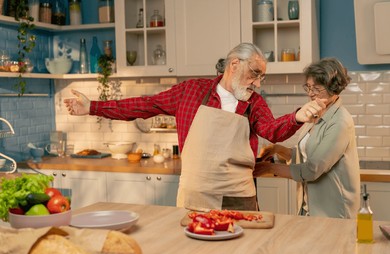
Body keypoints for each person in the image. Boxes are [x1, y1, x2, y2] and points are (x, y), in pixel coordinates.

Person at [64, 42, 325, 212]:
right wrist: (92, 107)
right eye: (255, 73)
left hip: (238, 197)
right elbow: (144, 105)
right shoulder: (190, 91)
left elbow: (272, 130)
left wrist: (297, 117)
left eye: (261, 77)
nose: (258, 83)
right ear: (234, 65)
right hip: (194, 198)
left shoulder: (254, 103)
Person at [254, 57, 360, 219]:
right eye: (308, 87)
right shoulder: (318, 113)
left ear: (333, 88)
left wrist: (270, 169)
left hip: (333, 211)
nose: (310, 93)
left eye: (316, 89)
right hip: (310, 206)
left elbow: (313, 168)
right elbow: (305, 153)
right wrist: (277, 149)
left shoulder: (340, 121)